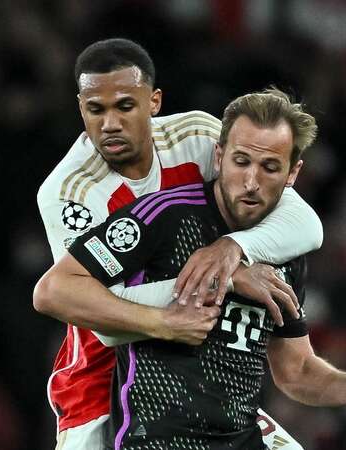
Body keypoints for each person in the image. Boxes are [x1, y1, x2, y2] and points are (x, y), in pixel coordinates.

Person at [35, 88, 346, 449]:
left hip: (241, 438)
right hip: (159, 439)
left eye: (269, 167)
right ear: (218, 156)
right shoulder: (164, 215)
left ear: (293, 173)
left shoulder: (285, 250)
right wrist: (166, 320)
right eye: (241, 161)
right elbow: (55, 290)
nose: (251, 182)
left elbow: (295, 370)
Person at [35, 39, 323, 449]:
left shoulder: (198, 136)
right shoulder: (68, 192)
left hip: (200, 369)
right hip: (101, 377)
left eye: (125, 106)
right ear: (80, 107)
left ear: (153, 102)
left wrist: (231, 251)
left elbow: (305, 224)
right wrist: (221, 283)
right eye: (95, 110)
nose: (110, 123)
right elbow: (99, 318)